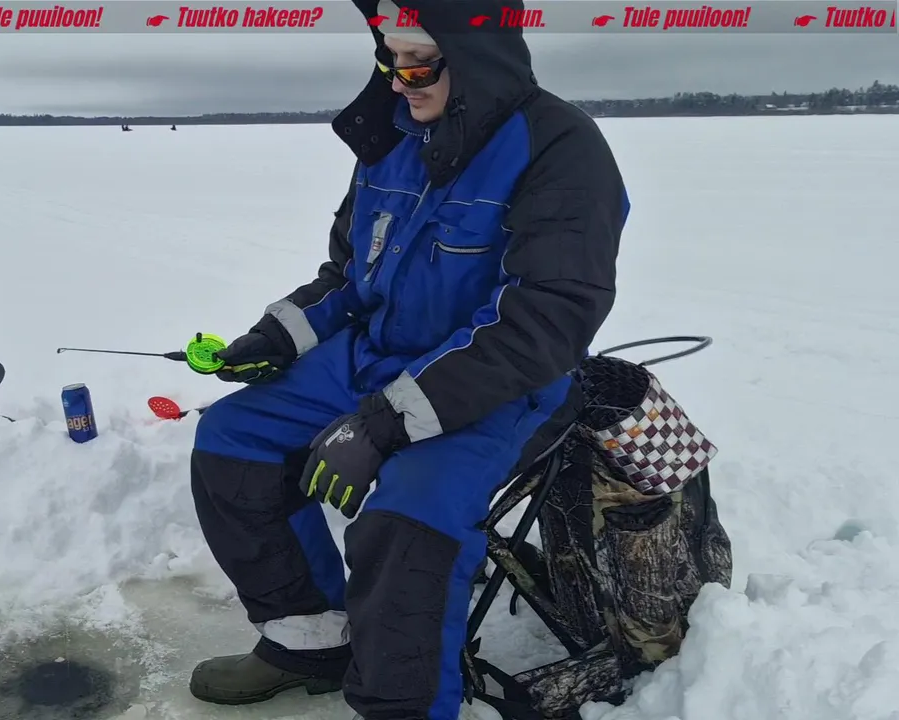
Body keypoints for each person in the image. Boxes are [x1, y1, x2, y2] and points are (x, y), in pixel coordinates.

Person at [186, 0, 629, 717]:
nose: (398, 80)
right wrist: (278, 336)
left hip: (500, 387)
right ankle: (309, 638)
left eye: (418, 63)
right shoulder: (394, 136)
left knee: (407, 520)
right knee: (232, 441)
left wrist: (384, 424)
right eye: (389, 59)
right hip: (374, 358)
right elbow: (349, 276)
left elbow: (546, 319)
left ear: (474, 57)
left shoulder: (558, 148)